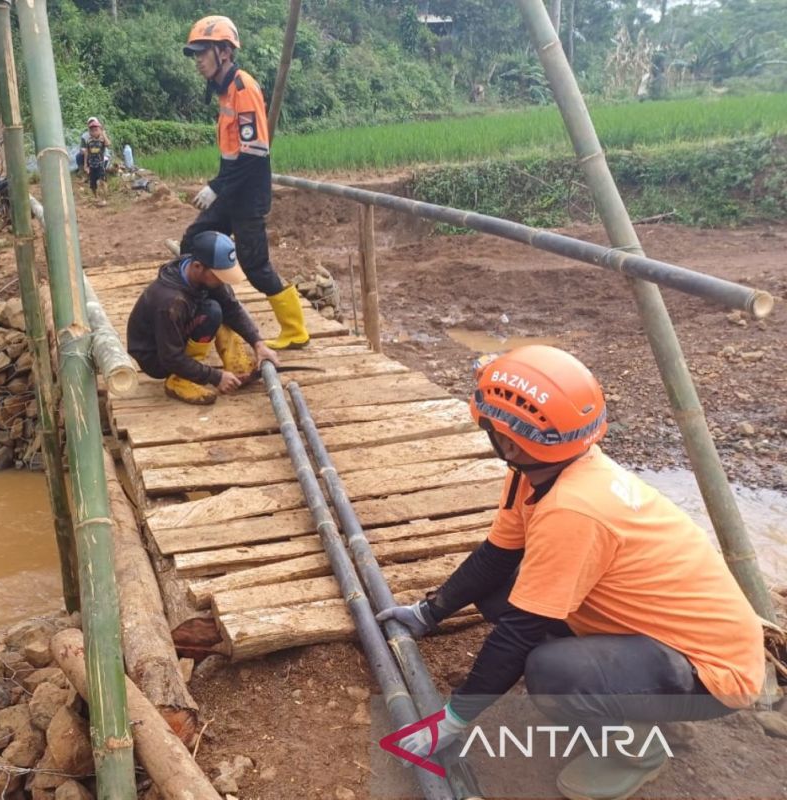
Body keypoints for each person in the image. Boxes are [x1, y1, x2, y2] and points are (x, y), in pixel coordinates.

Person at [379, 346, 765, 800]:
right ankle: (631, 697)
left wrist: (453, 719)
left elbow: (520, 632)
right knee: (500, 594)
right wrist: (428, 613)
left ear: (508, 440)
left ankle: (640, 749)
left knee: (553, 673)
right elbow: (497, 556)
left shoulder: (573, 509)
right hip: (666, 638)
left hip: (712, 673)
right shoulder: (542, 471)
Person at [178, 15, 308, 351]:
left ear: (223, 51)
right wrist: (221, 186)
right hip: (232, 190)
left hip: (246, 194)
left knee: (255, 265)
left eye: (201, 53)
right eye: (194, 55)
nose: (197, 62)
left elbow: (252, 155)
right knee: (194, 242)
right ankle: (208, 317)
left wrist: (216, 187)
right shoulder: (223, 91)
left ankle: (295, 330)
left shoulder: (242, 88)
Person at [127, 230, 279, 405]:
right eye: (219, 275)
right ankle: (179, 379)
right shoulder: (170, 303)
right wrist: (214, 376)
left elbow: (232, 308)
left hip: (175, 333)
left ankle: (232, 360)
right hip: (157, 358)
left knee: (217, 307)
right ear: (198, 266)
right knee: (212, 311)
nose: (223, 280)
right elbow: (170, 357)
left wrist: (258, 343)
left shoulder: (203, 276)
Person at [75, 116, 111, 186]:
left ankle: (99, 177)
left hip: (101, 156)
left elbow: (108, 144)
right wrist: (84, 152)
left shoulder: (102, 134)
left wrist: (103, 134)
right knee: (78, 156)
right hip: (90, 156)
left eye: (94, 124)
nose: (92, 125)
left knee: (100, 165)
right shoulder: (85, 136)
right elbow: (83, 148)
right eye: (90, 124)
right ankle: (84, 174)